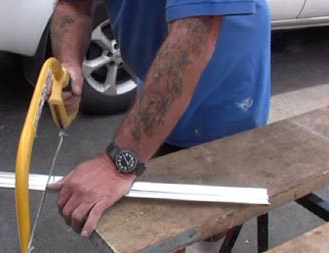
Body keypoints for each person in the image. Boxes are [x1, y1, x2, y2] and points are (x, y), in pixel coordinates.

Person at [48, 0, 270, 252]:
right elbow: (73, 6)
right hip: (160, 71)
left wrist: (119, 163)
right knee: (161, 209)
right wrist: (69, 63)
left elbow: (194, 34)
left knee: (212, 210)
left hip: (225, 88)